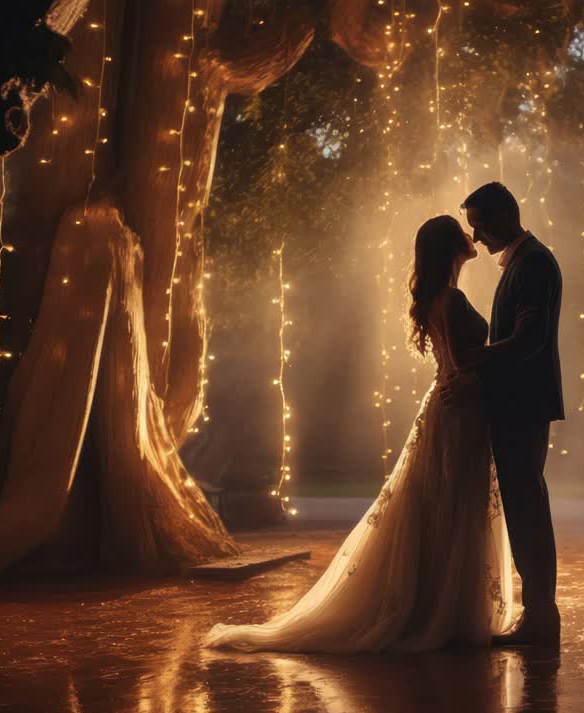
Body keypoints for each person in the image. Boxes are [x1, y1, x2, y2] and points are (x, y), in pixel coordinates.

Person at [204, 214, 517, 653]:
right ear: (450, 247)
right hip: (458, 411)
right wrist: (509, 352)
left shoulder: (437, 299)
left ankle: (442, 606)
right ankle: (446, 612)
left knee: (446, 505)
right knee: (456, 503)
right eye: (461, 231)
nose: (472, 235)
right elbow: (465, 363)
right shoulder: (450, 299)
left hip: (450, 409)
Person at [451, 181, 564, 647]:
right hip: (518, 402)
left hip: (523, 404)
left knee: (528, 508)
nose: (475, 238)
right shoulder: (525, 259)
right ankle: (538, 614)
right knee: (523, 507)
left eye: (479, 226)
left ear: (504, 216)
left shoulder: (533, 262)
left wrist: (471, 360)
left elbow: (529, 340)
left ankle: (540, 616)